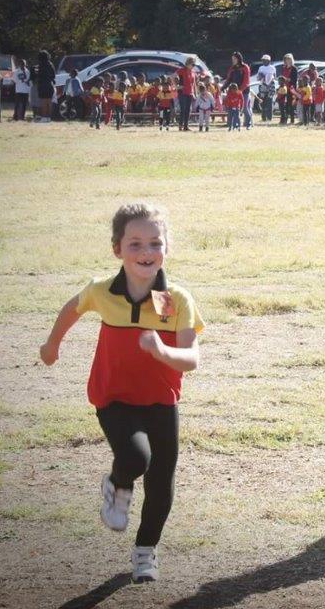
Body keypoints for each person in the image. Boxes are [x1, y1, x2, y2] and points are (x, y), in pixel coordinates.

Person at [39, 203, 203, 583]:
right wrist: (52, 345)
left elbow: (192, 357)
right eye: (135, 244)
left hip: (162, 402)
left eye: (154, 243)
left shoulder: (175, 299)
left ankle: (146, 552)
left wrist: (162, 352)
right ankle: (117, 484)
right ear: (117, 249)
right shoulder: (101, 291)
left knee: (161, 484)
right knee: (134, 458)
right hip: (113, 398)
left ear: (166, 248)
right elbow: (72, 308)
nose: (146, 253)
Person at [225, 52, 252, 130]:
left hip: (244, 91)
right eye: (232, 59)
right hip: (233, 91)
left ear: (239, 59)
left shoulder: (245, 67)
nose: (233, 60)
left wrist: (240, 90)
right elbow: (228, 80)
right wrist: (223, 87)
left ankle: (248, 123)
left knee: (244, 108)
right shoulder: (232, 68)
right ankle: (232, 124)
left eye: (234, 59)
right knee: (232, 108)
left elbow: (246, 81)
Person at [176, 56, 198, 131]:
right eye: (192, 64)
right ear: (188, 63)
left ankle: (186, 126)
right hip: (182, 92)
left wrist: (195, 93)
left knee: (188, 109)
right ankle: (180, 125)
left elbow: (194, 84)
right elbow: (172, 76)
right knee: (183, 109)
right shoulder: (182, 70)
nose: (193, 66)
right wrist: (176, 86)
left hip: (190, 93)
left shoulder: (193, 72)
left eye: (194, 64)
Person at [33, 50, 55, 122]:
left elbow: (37, 75)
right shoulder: (51, 64)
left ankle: (44, 117)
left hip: (42, 85)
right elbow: (53, 75)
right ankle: (49, 117)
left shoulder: (40, 65)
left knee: (43, 102)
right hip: (50, 85)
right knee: (49, 102)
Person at [12, 57, 30, 121]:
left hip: (26, 90)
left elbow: (28, 80)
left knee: (24, 104)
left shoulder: (27, 71)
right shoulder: (16, 71)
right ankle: (15, 116)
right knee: (17, 104)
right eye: (22, 64)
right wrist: (21, 81)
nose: (23, 65)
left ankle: (22, 116)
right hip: (19, 90)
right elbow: (14, 80)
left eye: (24, 64)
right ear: (19, 64)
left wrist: (27, 82)